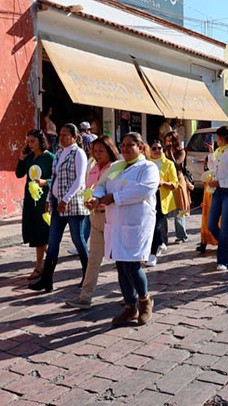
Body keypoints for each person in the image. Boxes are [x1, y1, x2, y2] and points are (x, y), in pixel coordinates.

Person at [86, 132, 158, 326]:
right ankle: (129, 307)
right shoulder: (116, 166)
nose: (125, 149)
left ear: (141, 147)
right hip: (116, 222)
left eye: (130, 145)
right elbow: (102, 186)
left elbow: (144, 190)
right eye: (123, 145)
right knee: (120, 264)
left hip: (136, 223)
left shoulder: (148, 168)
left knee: (132, 265)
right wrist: (96, 198)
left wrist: (114, 198)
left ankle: (144, 302)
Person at [29, 124, 89, 293]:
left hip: (73, 205)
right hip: (57, 204)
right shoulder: (59, 154)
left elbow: (79, 181)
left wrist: (66, 199)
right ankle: (47, 280)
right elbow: (54, 179)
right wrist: (49, 198)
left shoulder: (78, 153)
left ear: (75, 137)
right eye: (60, 135)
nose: (61, 138)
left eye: (65, 135)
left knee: (78, 240)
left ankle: (87, 275)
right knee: (53, 241)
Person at [66, 136, 118, 309]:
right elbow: (90, 190)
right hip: (95, 217)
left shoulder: (116, 169)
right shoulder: (93, 167)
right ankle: (85, 297)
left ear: (110, 150)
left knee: (122, 260)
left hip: (112, 218)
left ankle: (132, 295)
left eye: (101, 151)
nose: (97, 154)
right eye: (95, 151)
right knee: (93, 259)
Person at [15, 129, 54, 280]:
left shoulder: (50, 158)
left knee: (43, 231)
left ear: (40, 141)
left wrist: (46, 182)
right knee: (35, 231)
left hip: (44, 199)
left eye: (32, 141)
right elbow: (19, 174)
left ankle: (40, 266)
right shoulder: (29, 157)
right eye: (28, 141)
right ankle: (44, 262)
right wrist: (21, 158)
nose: (29, 144)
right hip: (30, 199)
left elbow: (56, 179)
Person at [205, 126, 228, 270]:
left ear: (224, 138)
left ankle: (224, 260)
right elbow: (212, 168)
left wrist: (220, 182)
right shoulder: (218, 152)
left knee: (225, 226)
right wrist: (210, 154)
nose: (216, 140)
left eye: (218, 138)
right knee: (212, 224)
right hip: (217, 192)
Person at [147, 140, 178, 267]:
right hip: (148, 197)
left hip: (162, 198)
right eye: (153, 148)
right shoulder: (146, 163)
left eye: (159, 148)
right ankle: (160, 243)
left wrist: (163, 183)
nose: (156, 151)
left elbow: (175, 183)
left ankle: (152, 254)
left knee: (156, 225)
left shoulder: (168, 164)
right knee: (151, 225)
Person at [164, 131, 190, 243]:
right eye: (166, 141)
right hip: (166, 181)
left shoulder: (181, 152)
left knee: (179, 209)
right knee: (164, 210)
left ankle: (181, 235)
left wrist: (170, 152)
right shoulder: (163, 152)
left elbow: (177, 164)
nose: (167, 143)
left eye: (170, 140)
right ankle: (162, 237)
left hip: (178, 182)